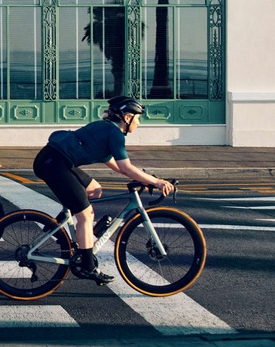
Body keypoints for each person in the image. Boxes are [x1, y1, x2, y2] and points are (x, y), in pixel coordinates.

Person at [32, 96, 175, 284]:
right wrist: (156, 182)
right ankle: (87, 267)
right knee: (85, 216)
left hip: (57, 160)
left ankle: (59, 229)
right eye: (138, 118)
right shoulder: (114, 133)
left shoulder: (106, 128)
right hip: (53, 163)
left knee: (94, 190)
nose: (138, 123)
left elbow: (114, 163)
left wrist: (143, 177)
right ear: (127, 117)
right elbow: (125, 167)